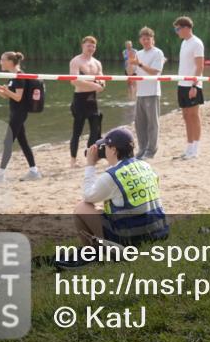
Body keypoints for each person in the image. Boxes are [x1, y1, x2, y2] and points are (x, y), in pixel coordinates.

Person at [69, 127, 169, 252]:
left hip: (131, 239)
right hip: (159, 232)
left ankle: (92, 252)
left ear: (113, 150)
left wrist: (90, 165)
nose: (104, 151)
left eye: (105, 147)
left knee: (81, 208)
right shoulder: (145, 166)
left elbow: (88, 195)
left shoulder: (113, 175)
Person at [0, 51, 42, 182]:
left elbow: (18, 97)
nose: (0, 62)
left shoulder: (19, 76)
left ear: (10, 62)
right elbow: (7, 96)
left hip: (19, 113)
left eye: (2, 60)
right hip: (15, 112)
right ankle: (34, 171)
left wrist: (6, 90)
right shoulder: (13, 77)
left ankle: (0, 174)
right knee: (23, 142)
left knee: (7, 142)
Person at [130, 27, 165, 159]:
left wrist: (139, 64)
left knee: (152, 123)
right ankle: (142, 149)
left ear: (152, 39)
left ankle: (151, 151)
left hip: (152, 92)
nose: (146, 41)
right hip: (140, 93)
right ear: (140, 40)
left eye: (148, 39)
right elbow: (132, 72)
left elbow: (155, 71)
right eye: (143, 39)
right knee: (140, 124)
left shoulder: (158, 53)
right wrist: (130, 63)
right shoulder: (138, 53)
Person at [69, 36, 105, 168]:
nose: (91, 48)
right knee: (77, 131)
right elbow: (74, 81)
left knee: (95, 130)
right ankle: (73, 160)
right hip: (80, 100)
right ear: (82, 46)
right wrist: (95, 86)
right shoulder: (76, 61)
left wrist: (101, 84)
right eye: (88, 46)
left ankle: (90, 156)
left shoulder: (97, 63)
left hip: (92, 100)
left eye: (93, 46)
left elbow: (102, 78)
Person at [174, 16, 205, 160]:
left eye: (178, 28)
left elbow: (200, 66)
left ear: (186, 28)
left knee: (194, 116)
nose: (177, 32)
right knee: (186, 116)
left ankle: (195, 149)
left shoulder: (197, 43)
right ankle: (189, 146)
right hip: (182, 84)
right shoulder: (183, 43)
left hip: (193, 85)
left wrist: (194, 85)